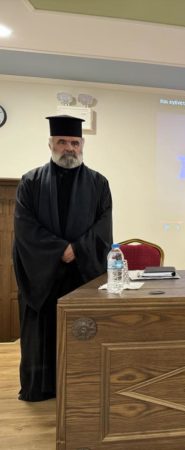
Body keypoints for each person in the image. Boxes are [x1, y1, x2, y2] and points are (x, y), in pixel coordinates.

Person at [13, 115, 113, 401]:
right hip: (42, 275)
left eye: (74, 143)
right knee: (41, 333)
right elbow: (25, 227)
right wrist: (59, 250)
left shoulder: (98, 183)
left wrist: (78, 249)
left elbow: (103, 226)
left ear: (82, 145)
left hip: (81, 274)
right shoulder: (30, 182)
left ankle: (80, 386)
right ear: (51, 144)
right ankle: (41, 388)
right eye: (62, 142)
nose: (69, 148)